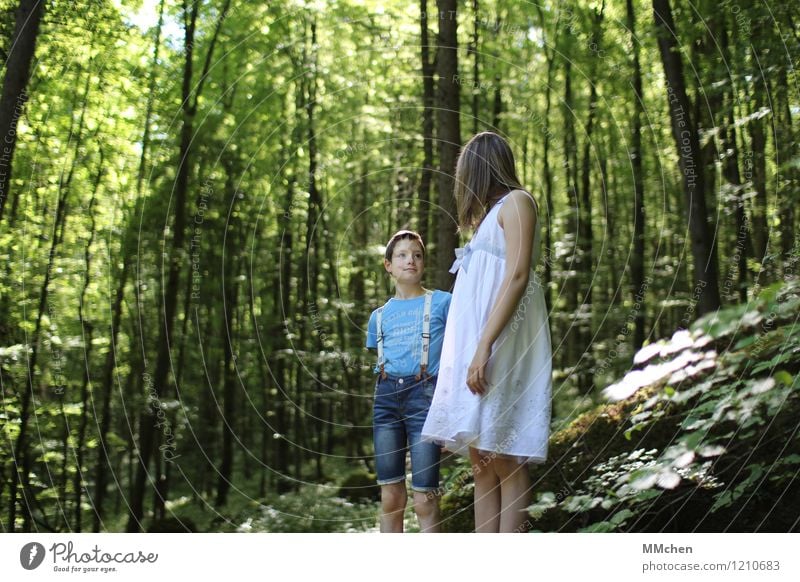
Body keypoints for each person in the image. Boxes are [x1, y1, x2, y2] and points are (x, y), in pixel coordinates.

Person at [421, 131, 553, 533]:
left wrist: (483, 346)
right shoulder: (482, 226)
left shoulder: (517, 202)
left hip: (501, 344)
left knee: (506, 457)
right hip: (477, 349)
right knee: (481, 462)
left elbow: (516, 275)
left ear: (478, 169)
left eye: (464, 173)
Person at [365, 230, 452, 532]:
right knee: (390, 496)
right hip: (386, 401)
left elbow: (460, 355)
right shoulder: (378, 316)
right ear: (388, 265)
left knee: (425, 498)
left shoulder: (443, 303)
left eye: (417, 255)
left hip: (426, 399)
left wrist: (451, 415)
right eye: (401, 255)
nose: (410, 261)